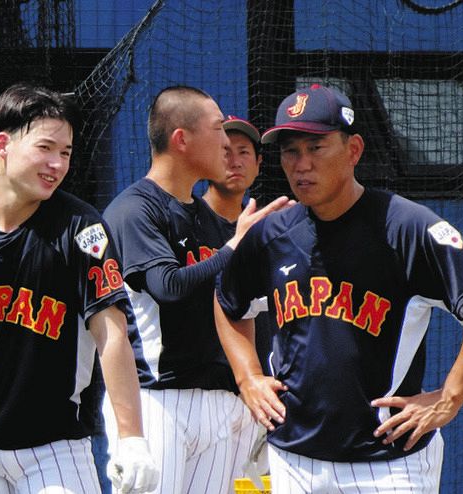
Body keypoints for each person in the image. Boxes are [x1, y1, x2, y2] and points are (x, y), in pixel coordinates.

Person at [214, 83, 463, 493]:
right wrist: (247, 377)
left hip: (387, 462)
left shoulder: (406, 227)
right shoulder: (271, 234)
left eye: (316, 148)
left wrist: (449, 397)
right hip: (293, 457)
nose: (301, 165)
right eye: (290, 151)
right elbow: (228, 301)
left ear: (354, 151)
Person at [0, 83, 158, 494]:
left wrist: (131, 439)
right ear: (2, 144)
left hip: (55, 448)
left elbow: (112, 332)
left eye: (66, 153)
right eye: (46, 148)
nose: (57, 164)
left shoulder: (83, 229)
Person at [101, 86, 293, 494]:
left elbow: (240, 304)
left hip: (222, 402)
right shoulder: (134, 208)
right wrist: (236, 245)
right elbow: (167, 286)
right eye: (219, 129)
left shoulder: (206, 218)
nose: (227, 143)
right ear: (181, 139)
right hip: (158, 399)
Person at [202, 115, 271, 375]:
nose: (235, 162)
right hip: (201, 384)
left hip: (263, 381)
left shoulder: (267, 228)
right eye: (225, 152)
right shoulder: (186, 221)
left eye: (244, 152)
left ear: (258, 163)